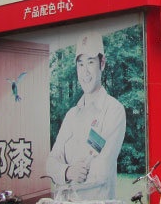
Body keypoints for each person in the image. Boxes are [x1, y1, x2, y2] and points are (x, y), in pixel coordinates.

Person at [46, 32, 126, 200]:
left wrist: (63, 177)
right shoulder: (71, 115)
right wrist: (68, 171)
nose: (85, 72)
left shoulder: (113, 111)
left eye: (90, 62)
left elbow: (102, 170)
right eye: (80, 64)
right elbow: (50, 163)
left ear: (102, 63)